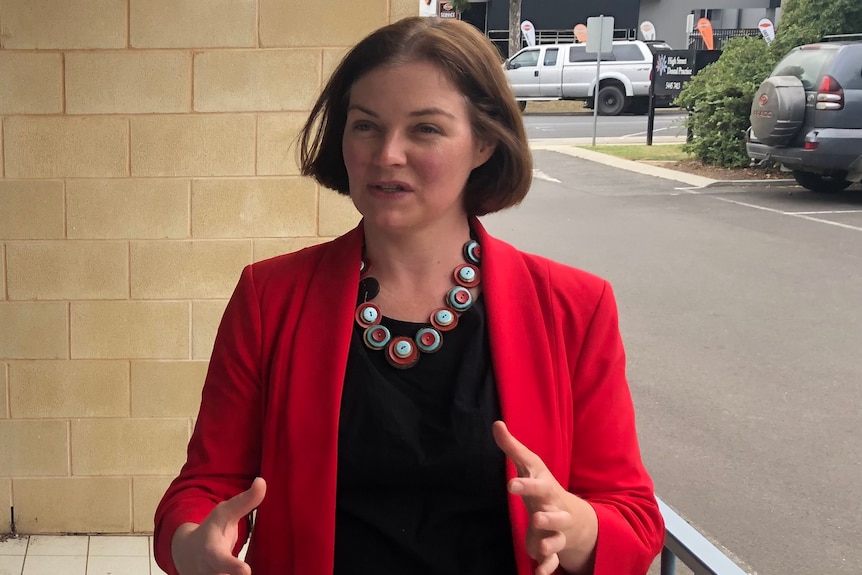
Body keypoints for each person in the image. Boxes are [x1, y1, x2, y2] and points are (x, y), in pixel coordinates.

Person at [154, 16, 664, 575]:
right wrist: (191, 545)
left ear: (485, 143)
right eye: (366, 126)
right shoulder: (270, 297)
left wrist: (577, 525)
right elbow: (207, 484)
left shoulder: (573, 307)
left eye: (425, 129)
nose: (388, 154)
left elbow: (634, 522)